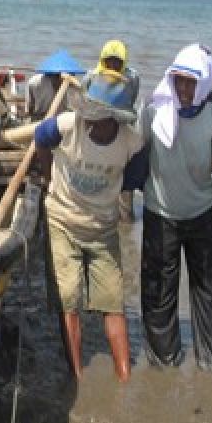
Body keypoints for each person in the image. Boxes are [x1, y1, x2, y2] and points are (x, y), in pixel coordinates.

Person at [34, 72, 146, 381]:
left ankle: (124, 376)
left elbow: (135, 180)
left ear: (116, 118)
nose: (92, 122)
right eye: (90, 115)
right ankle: (77, 375)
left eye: (100, 118)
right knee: (68, 298)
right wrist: (47, 178)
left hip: (103, 228)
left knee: (113, 302)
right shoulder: (67, 125)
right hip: (62, 219)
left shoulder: (132, 143)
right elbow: (40, 140)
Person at [138, 44, 212, 370]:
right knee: (159, 292)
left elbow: (211, 154)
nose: (184, 89)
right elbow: (142, 148)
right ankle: (165, 362)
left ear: (205, 82)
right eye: (178, 81)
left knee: (209, 291)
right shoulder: (152, 110)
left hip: (201, 212)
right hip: (160, 212)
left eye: (191, 82)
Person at [85, 39, 141, 221]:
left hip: (123, 126)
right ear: (103, 60)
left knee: (125, 180)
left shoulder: (132, 78)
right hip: (99, 128)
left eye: (118, 62)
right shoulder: (92, 76)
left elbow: (129, 101)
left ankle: (125, 220)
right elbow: (88, 102)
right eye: (110, 61)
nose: (113, 65)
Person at [26, 49, 85, 121]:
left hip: (61, 119)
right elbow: (30, 107)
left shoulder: (72, 84)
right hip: (42, 118)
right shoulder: (34, 82)